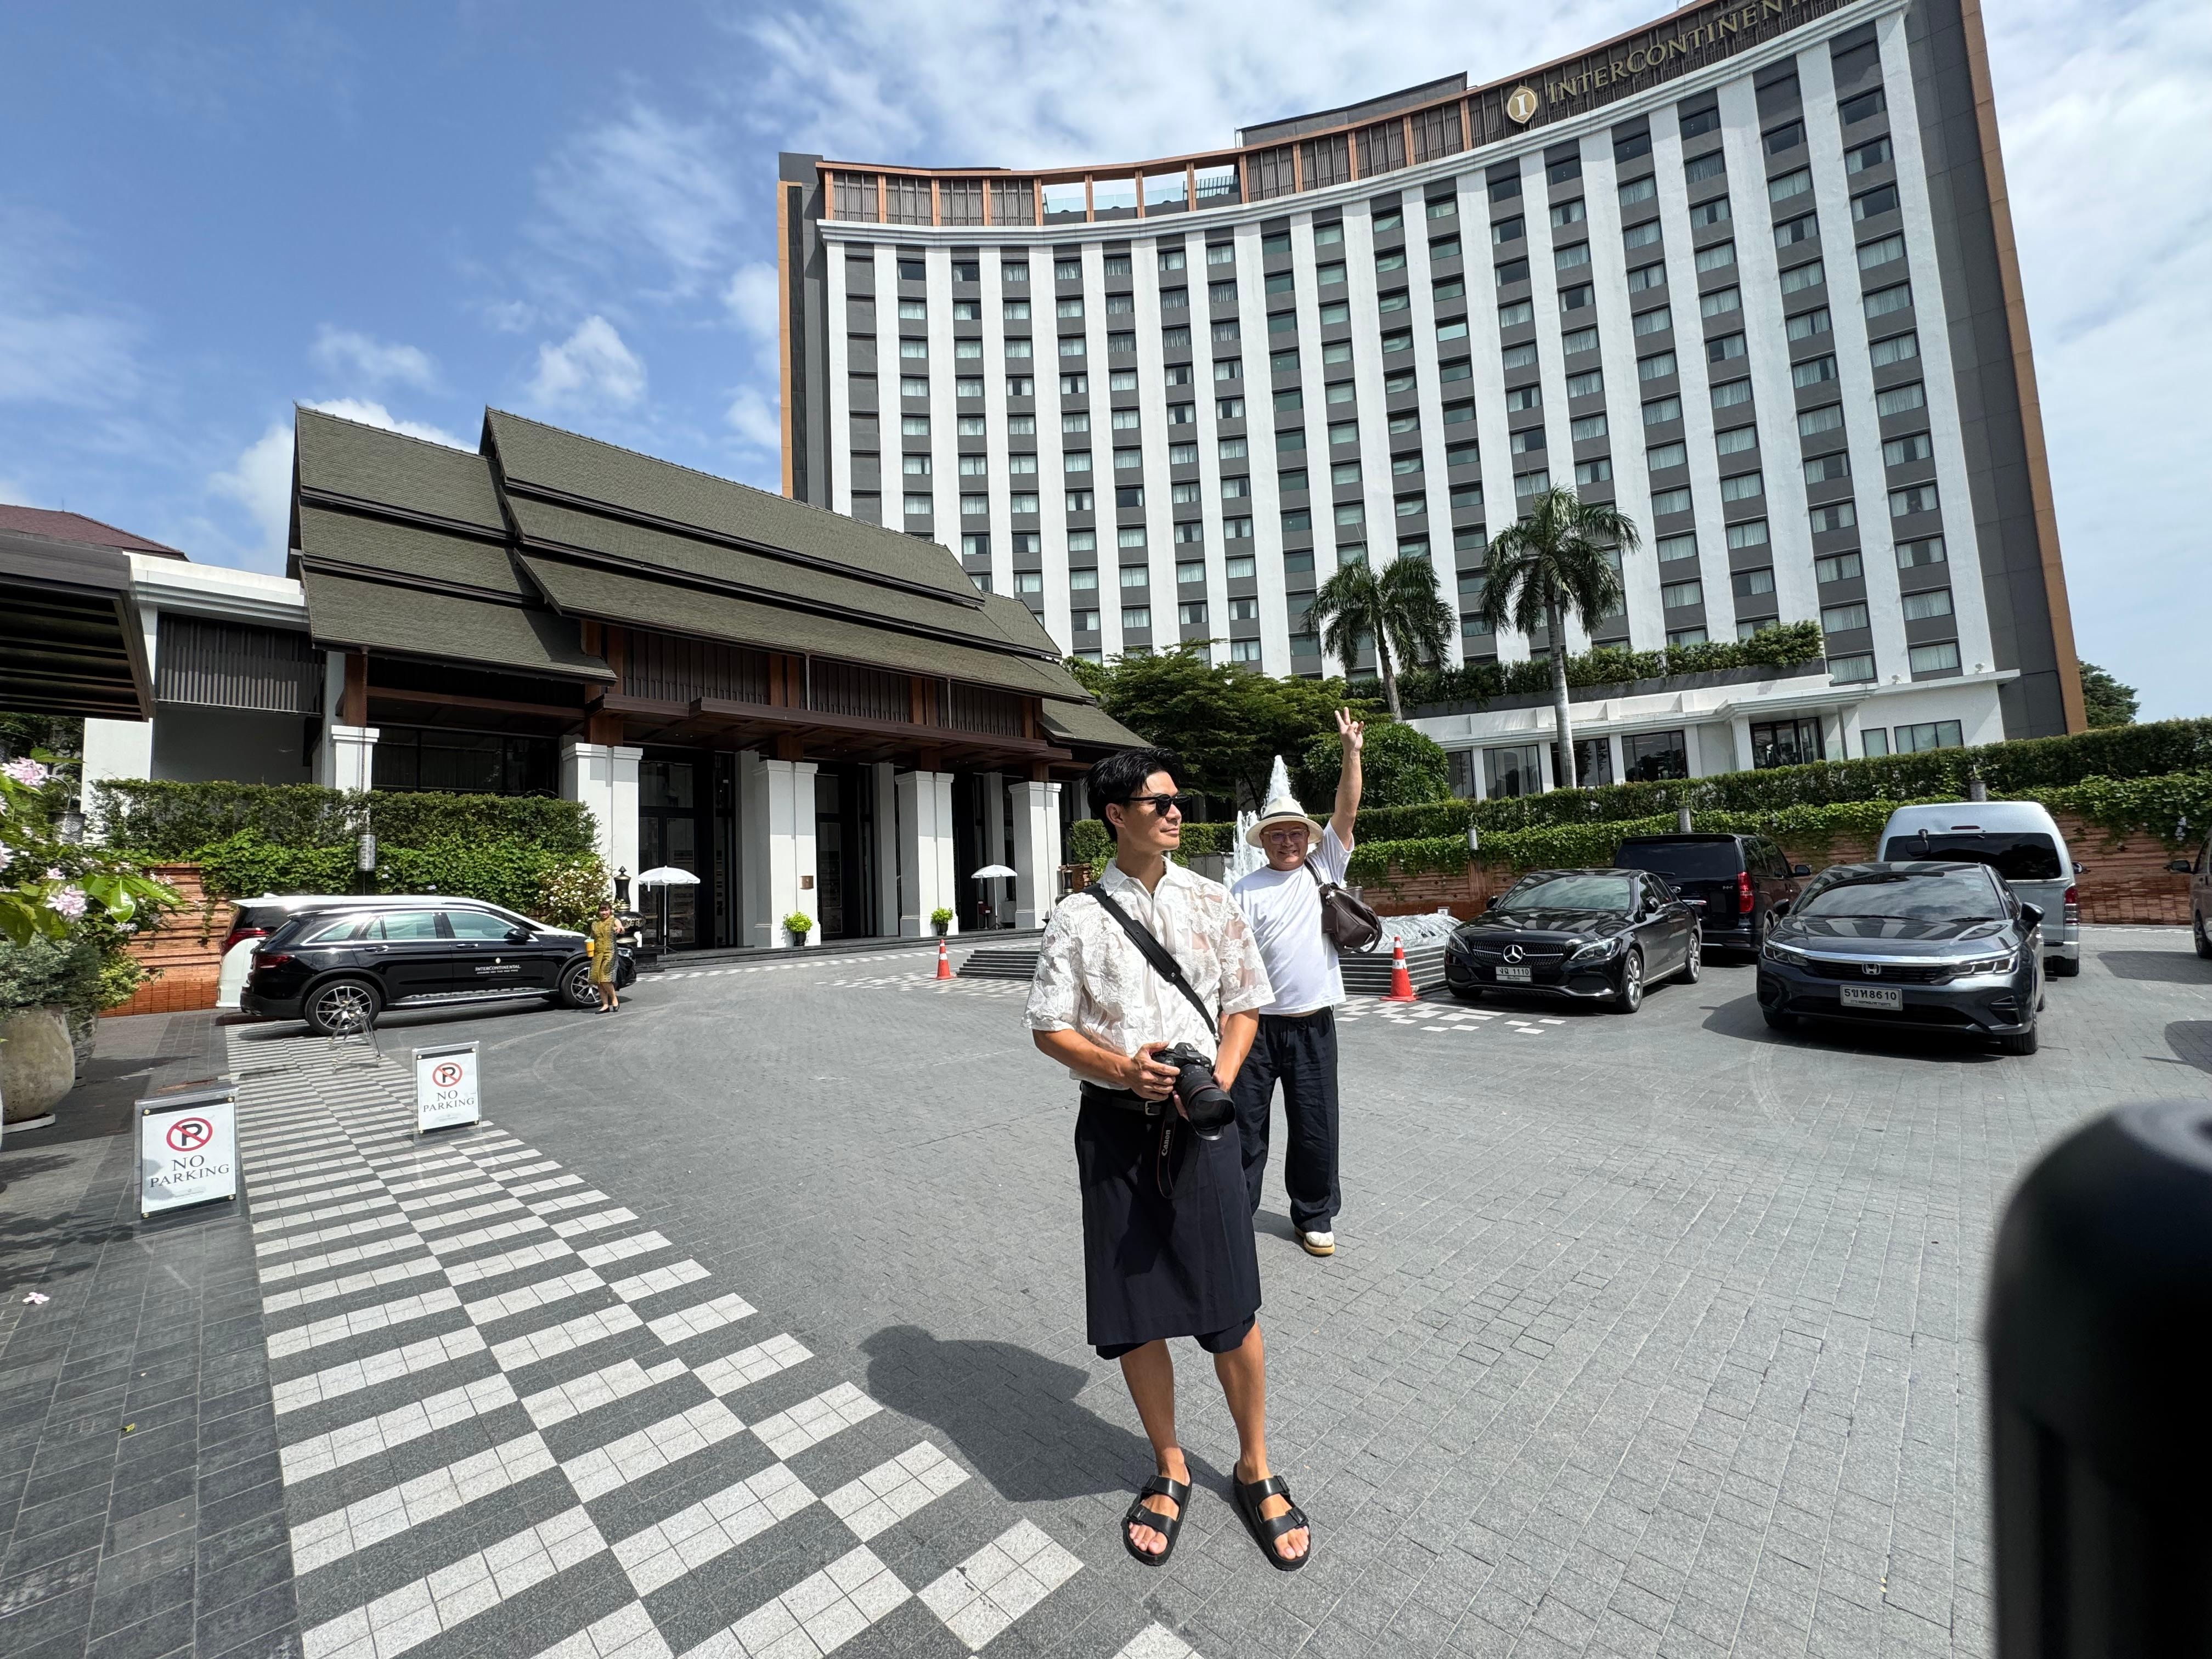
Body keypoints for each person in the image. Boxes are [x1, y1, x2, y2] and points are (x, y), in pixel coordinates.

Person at [1027, 747, 1314, 1572]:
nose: (1175, 812)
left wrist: (1213, 1082)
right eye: (1158, 803)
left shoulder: (1213, 900)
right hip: (1115, 1131)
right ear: (1116, 815)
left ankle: (1254, 1464)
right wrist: (1121, 1069)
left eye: (1177, 800)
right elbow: (1049, 1027)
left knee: (1231, 1307)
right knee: (1136, 1311)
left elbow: (1245, 1006)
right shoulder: (1077, 917)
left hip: (1204, 1128)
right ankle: (1170, 1463)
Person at [1229, 709, 1363, 1258]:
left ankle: (1314, 1214)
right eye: (1277, 834)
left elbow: (1346, 809)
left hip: (1313, 1024)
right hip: (1254, 1028)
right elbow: (1228, 963)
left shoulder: (1324, 866)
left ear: (1309, 838)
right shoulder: (1243, 889)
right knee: (1243, 1127)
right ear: (1263, 841)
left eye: (1295, 833)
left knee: (1315, 1127)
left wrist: (1351, 753)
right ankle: (1234, 1213)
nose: (1287, 841)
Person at [586, 901, 621, 1013]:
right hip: (598, 953)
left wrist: (619, 929)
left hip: (610, 953)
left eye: (606, 910)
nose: (604, 912)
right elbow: (592, 938)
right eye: (602, 910)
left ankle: (614, 1000)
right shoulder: (595, 924)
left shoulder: (614, 921)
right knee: (598, 980)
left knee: (605, 979)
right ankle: (605, 1005)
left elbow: (621, 927)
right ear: (599, 911)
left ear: (610, 910)